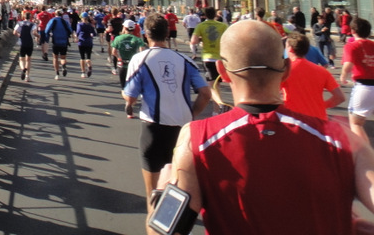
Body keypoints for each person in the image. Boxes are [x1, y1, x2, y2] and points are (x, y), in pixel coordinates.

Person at [152, 19, 374, 235]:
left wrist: (161, 189)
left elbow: (161, 231)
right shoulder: (344, 139)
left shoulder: (196, 138)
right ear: (286, 69)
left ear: (223, 71)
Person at [122, 13, 210, 203]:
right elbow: (206, 93)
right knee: (181, 190)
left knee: (153, 194)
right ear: (167, 33)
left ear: (146, 34)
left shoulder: (140, 59)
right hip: (183, 130)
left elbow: (130, 95)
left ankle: (156, 229)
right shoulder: (185, 60)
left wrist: (128, 104)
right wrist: (192, 113)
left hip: (153, 129)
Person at [281, 31, 344, 120]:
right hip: (319, 121)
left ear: (290, 49)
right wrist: (322, 106)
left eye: (286, 47)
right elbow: (340, 97)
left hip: (295, 120)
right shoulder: (322, 71)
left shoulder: (286, 71)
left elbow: (271, 95)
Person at [341, 17, 374, 141]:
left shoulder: (352, 46)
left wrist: (343, 76)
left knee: (356, 123)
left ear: (353, 30)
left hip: (364, 87)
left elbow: (348, 65)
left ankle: (365, 153)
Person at [189, 6, 227, 82]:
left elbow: (193, 41)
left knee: (211, 84)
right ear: (215, 15)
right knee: (217, 84)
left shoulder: (201, 26)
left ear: (205, 15)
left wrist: (201, 38)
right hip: (220, 58)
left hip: (207, 57)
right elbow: (229, 39)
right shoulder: (223, 26)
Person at [111, 19, 145, 88]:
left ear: (125, 28)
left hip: (122, 64)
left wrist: (118, 58)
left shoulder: (118, 38)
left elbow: (113, 52)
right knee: (132, 85)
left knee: (123, 85)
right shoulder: (137, 39)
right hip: (133, 64)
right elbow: (142, 52)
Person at [45, 8, 73, 80]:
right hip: (64, 41)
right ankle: (63, 65)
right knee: (63, 57)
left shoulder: (53, 20)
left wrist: (49, 35)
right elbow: (70, 30)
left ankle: (57, 73)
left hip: (56, 41)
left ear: (55, 14)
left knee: (55, 57)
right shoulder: (64, 21)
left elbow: (47, 30)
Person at [14, 11, 38, 82]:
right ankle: (27, 76)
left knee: (21, 59)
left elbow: (14, 32)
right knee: (28, 59)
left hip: (22, 42)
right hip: (30, 42)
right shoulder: (33, 24)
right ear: (30, 17)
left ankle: (22, 69)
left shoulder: (20, 23)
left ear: (23, 17)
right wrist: (38, 36)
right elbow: (34, 32)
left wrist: (19, 35)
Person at [75, 12, 96, 78]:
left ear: (81, 18)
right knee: (88, 57)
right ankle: (89, 66)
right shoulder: (90, 25)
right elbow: (94, 33)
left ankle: (83, 72)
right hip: (89, 42)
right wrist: (91, 34)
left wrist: (76, 37)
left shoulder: (80, 25)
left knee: (82, 57)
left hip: (81, 42)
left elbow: (78, 32)